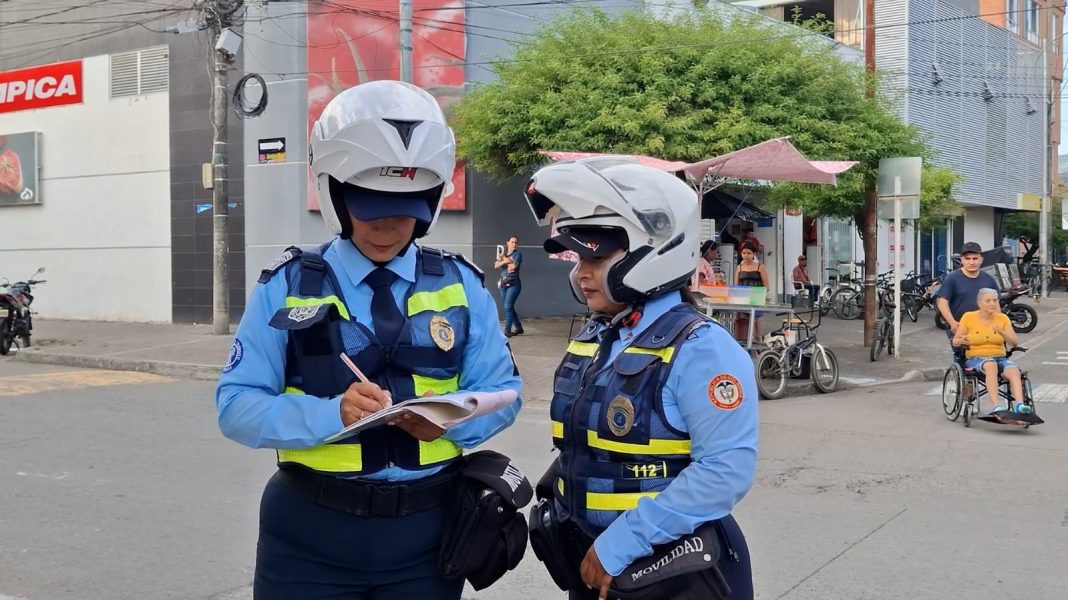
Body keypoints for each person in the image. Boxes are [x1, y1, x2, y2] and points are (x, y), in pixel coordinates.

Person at [215, 80, 522, 600]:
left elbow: (504, 393)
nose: (387, 226)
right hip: (309, 534)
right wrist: (332, 415)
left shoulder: (462, 285)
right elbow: (236, 406)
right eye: (369, 206)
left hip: (428, 533)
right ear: (335, 193)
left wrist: (449, 421)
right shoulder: (286, 286)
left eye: (406, 209)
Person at [523, 157, 757, 600]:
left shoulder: (702, 348)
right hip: (597, 570)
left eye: (597, 255)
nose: (582, 272)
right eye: (578, 257)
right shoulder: (601, 332)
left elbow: (725, 472)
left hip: (672, 573)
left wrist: (621, 542)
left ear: (655, 251)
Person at [952, 288, 1026, 417]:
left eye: (994, 300)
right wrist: (962, 340)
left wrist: (1003, 332)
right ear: (979, 303)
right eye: (988, 301)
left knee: (1013, 370)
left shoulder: (1002, 318)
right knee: (990, 365)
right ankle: (996, 406)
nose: (992, 303)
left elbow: (1014, 342)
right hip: (976, 358)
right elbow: (955, 341)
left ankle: (1020, 405)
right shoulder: (969, 317)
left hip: (1000, 357)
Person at [936, 242, 999, 348]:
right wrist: (952, 323)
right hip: (960, 328)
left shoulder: (989, 280)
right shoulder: (952, 278)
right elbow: (942, 302)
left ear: (981, 259)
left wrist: (999, 324)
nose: (971, 262)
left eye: (975, 258)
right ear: (961, 260)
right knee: (964, 360)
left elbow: (996, 305)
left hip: (984, 328)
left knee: (988, 358)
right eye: (967, 258)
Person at [734, 242, 769, 340]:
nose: (746, 255)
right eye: (744, 253)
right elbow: (736, 285)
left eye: (749, 253)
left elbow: (766, 286)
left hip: (757, 300)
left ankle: (759, 350)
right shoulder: (739, 268)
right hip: (743, 301)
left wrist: (758, 295)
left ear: (754, 254)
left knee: (757, 333)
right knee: (747, 331)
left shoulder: (760, 267)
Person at [494, 235, 524, 336]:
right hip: (503, 283)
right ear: (507, 243)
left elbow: (513, 267)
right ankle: (519, 328)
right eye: (512, 242)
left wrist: (505, 259)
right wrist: (504, 260)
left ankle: (507, 331)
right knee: (509, 307)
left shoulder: (518, 254)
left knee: (507, 307)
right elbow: (496, 265)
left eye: (516, 243)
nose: (514, 244)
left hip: (514, 284)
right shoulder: (503, 254)